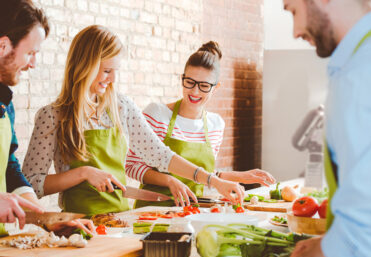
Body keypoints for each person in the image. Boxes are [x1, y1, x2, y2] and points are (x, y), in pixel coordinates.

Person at [228, 0, 371, 257]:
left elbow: (363, 237)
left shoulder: (363, 75)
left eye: (293, 10)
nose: (295, 32)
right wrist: (326, 245)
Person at [23, 25, 245, 217]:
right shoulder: (52, 116)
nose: (113, 80)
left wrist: (214, 182)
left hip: (120, 221)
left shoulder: (122, 108)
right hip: (76, 224)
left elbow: (161, 156)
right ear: (84, 65)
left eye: (115, 70)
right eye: (107, 70)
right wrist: (83, 173)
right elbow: (31, 182)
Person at [126, 41, 275, 208]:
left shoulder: (215, 124)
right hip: (152, 212)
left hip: (192, 212)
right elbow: (132, 165)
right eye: (190, 82)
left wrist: (241, 176)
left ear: (216, 87)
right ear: (182, 78)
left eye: (204, 86)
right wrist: (169, 180)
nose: (195, 92)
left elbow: (204, 175)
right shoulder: (157, 114)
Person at [0, 0, 93, 236]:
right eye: (30, 53)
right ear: (3, 46)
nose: (33, 64)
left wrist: (47, 219)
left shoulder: (5, 103)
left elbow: (10, 172)